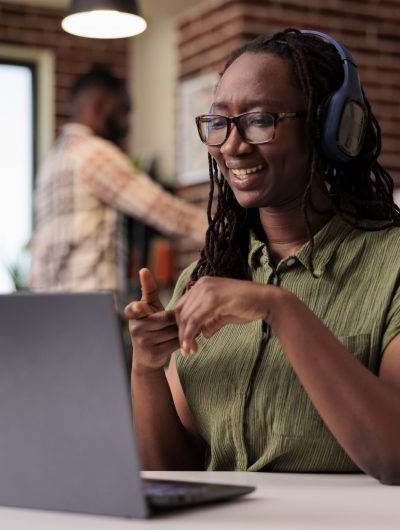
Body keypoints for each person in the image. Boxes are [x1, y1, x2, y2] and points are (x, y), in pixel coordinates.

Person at [125, 28, 400, 484]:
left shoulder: (392, 263)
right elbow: (174, 475)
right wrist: (146, 369)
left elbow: (395, 456)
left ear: (327, 128)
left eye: (258, 119)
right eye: (219, 122)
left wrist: (279, 308)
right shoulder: (204, 279)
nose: (232, 145)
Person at [30, 66, 207, 302]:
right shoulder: (92, 153)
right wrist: (231, 233)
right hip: (89, 305)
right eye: (123, 112)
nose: (126, 124)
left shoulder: (53, 160)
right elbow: (162, 210)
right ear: (100, 106)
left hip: (50, 305)